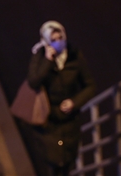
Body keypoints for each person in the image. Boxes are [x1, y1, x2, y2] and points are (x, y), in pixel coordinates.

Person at [26, 21, 96, 176]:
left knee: (67, 162)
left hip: (69, 123)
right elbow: (34, 82)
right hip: (49, 123)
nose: (58, 42)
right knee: (55, 162)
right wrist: (48, 61)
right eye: (54, 39)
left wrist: (74, 102)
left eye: (60, 38)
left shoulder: (74, 57)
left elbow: (90, 86)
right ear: (46, 41)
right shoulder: (39, 57)